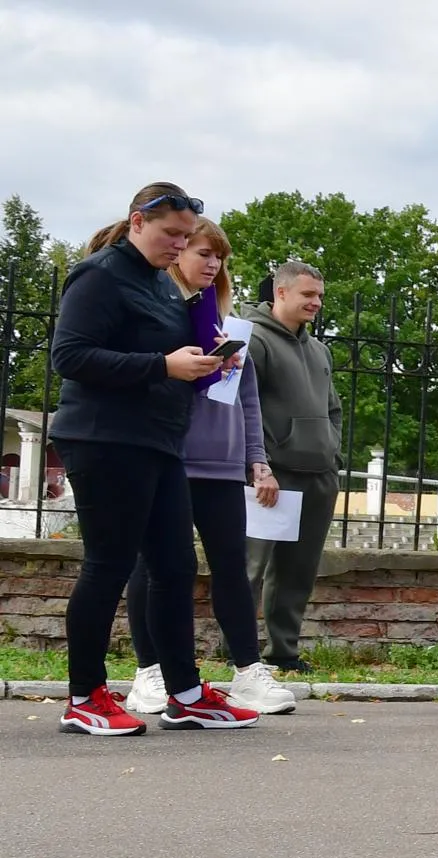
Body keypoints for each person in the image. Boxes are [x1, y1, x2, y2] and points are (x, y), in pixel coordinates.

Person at [47, 183, 259, 734]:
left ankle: (185, 694)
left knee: (175, 567)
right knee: (108, 564)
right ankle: (84, 696)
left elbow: (164, 361)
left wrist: (201, 367)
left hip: (161, 441)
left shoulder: (162, 287)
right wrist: (162, 366)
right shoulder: (99, 274)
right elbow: (69, 356)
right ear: (138, 222)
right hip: (105, 439)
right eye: (172, 234)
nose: (179, 245)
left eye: (186, 237)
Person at [123, 219, 295, 716]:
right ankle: (149, 672)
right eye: (204, 252)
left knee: (231, 571)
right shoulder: (157, 315)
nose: (213, 264)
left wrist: (257, 461)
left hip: (220, 465)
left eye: (219, 257)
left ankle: (247, 671)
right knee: (152, 568)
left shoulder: (231, 325)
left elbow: (248, 401)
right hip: (168, 456)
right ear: (176, 254)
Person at [242, 261, 341, 675]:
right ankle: (240, 653)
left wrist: (332, 453)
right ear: (280, 293)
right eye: (307, 295)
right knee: (252, 568)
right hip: (273, 476)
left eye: (319, 295)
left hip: (319, 473)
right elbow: (243, 407)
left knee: (298, 571)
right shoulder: (254, 340)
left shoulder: (319, 349)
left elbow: (333, 408)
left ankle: (283, 652)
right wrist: (260, 463)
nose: (316, 302)